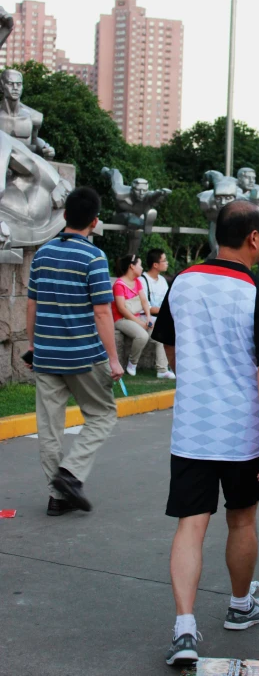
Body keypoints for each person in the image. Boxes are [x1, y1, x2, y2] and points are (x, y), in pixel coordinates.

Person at [151, 200, 259, 665]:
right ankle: (239, 606)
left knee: (191, 524)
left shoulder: (183, 281)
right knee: (242, 519)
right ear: (253, 237)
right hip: (240, 430)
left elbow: (170, 347)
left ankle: (185, 628)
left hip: (193, 427)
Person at [26, 187, 124, 515]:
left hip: (47, 355)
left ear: (65, 215)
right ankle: (70, 474)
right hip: (84, 356)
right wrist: (113, 358)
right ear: (94, 222)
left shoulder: (42, 254)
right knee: (102, 415)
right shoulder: (94, 258)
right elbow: (101, 313)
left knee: (49, 427)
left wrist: (32, 346)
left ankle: (58, 495)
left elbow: (32, 306)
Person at [112, 255, 175, 380]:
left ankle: (162, 370)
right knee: (142, 335)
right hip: (121, 320)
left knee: (160, 335)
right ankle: (132, 363)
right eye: (139, 265)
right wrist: (140, 323)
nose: (141, 268)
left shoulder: (137, 282)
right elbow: (122, 309)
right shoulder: (119, 284)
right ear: (132, 266)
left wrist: (148, 318)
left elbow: (144, 302)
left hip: (136, 318)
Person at [139, 248, 169, 324]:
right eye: (164, 260)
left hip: (161, 315)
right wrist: (166, 310)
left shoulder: (162, 280)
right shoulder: (142, 280)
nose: (167, 263)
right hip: (146, 316)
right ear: (155, 265)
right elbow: (146, 307)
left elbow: (167, 300)